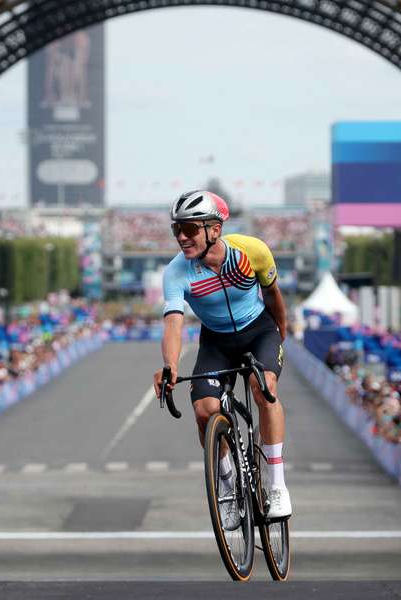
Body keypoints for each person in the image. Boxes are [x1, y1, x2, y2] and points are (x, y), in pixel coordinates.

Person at [152, 190, 292, 523]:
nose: (182, 237)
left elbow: (273, 295)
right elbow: (173, 323)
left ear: (215, 229)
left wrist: (281, 334)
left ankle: (276, 484)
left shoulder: (252, 251)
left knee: (265, 389)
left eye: (189, 229)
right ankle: (228, 484)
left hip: (259, 332)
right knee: (204, 410)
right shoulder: (176, 273)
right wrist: (170, 366)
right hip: (216, 341)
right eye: (177, 230)